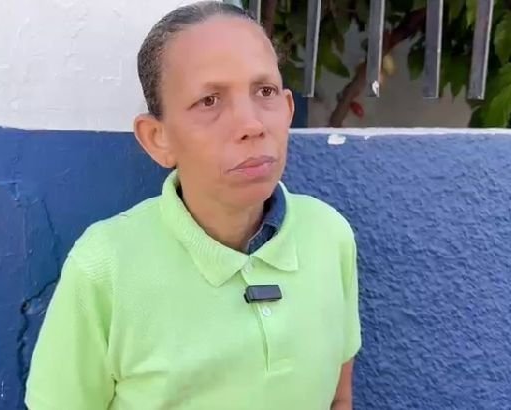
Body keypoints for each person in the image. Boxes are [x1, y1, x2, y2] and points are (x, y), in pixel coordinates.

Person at [25, 1, 361, 409]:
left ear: (288, 109)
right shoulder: (105, 267)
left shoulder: (329, 236)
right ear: (158, 138)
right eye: (210, 101)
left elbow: (338, 398)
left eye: (265, 92)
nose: (251, 125)